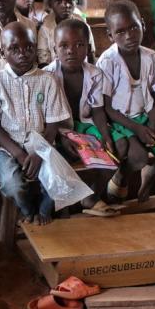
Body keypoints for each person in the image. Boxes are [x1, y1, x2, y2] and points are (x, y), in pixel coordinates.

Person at [0, 22, 72, 225]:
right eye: (14, 49)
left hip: (41, 143)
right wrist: (19, 154)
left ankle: (44, 210)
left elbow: (53, 125)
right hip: (6, 146)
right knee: (12, 185)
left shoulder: (48, 80)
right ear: (3, 52)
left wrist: (38, 153)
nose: (23, 54)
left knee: (61, 181)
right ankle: (28, 210)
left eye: (28, 48)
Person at [98, 1, 155, 202]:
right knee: (138, 157)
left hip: (146, 117)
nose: (129, 36)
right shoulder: (108, 62)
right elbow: (107, 108)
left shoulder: (149, 57)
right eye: (120, 32)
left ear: (143, 24)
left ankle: (151, 172)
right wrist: (137, 129)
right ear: (110, 36)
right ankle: (120, 178)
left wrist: (152, 124)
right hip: (121, 122)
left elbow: (152, 96)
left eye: (134, 27)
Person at [43, 20, 119, 217]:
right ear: (54, 49)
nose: (71, 51)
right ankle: (64, 207)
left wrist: (105, 135)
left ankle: (92, 196)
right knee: (62, 156)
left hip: (85, 125)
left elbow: (98, 111)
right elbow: (47, 119)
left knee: (115, 150)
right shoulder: (47, 76)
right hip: (58, 128)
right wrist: (61, 137)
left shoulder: (95, 74)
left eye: (79, 45)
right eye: (64, 46)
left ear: (88, 47)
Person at [37, 0, 96, 66]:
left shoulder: (83, 26)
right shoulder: (45, 29)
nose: (66, 5)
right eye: (59, 1)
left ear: (76, 1)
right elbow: (43, 63)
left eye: (70, 0)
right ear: (50, 4)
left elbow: (91, 55)